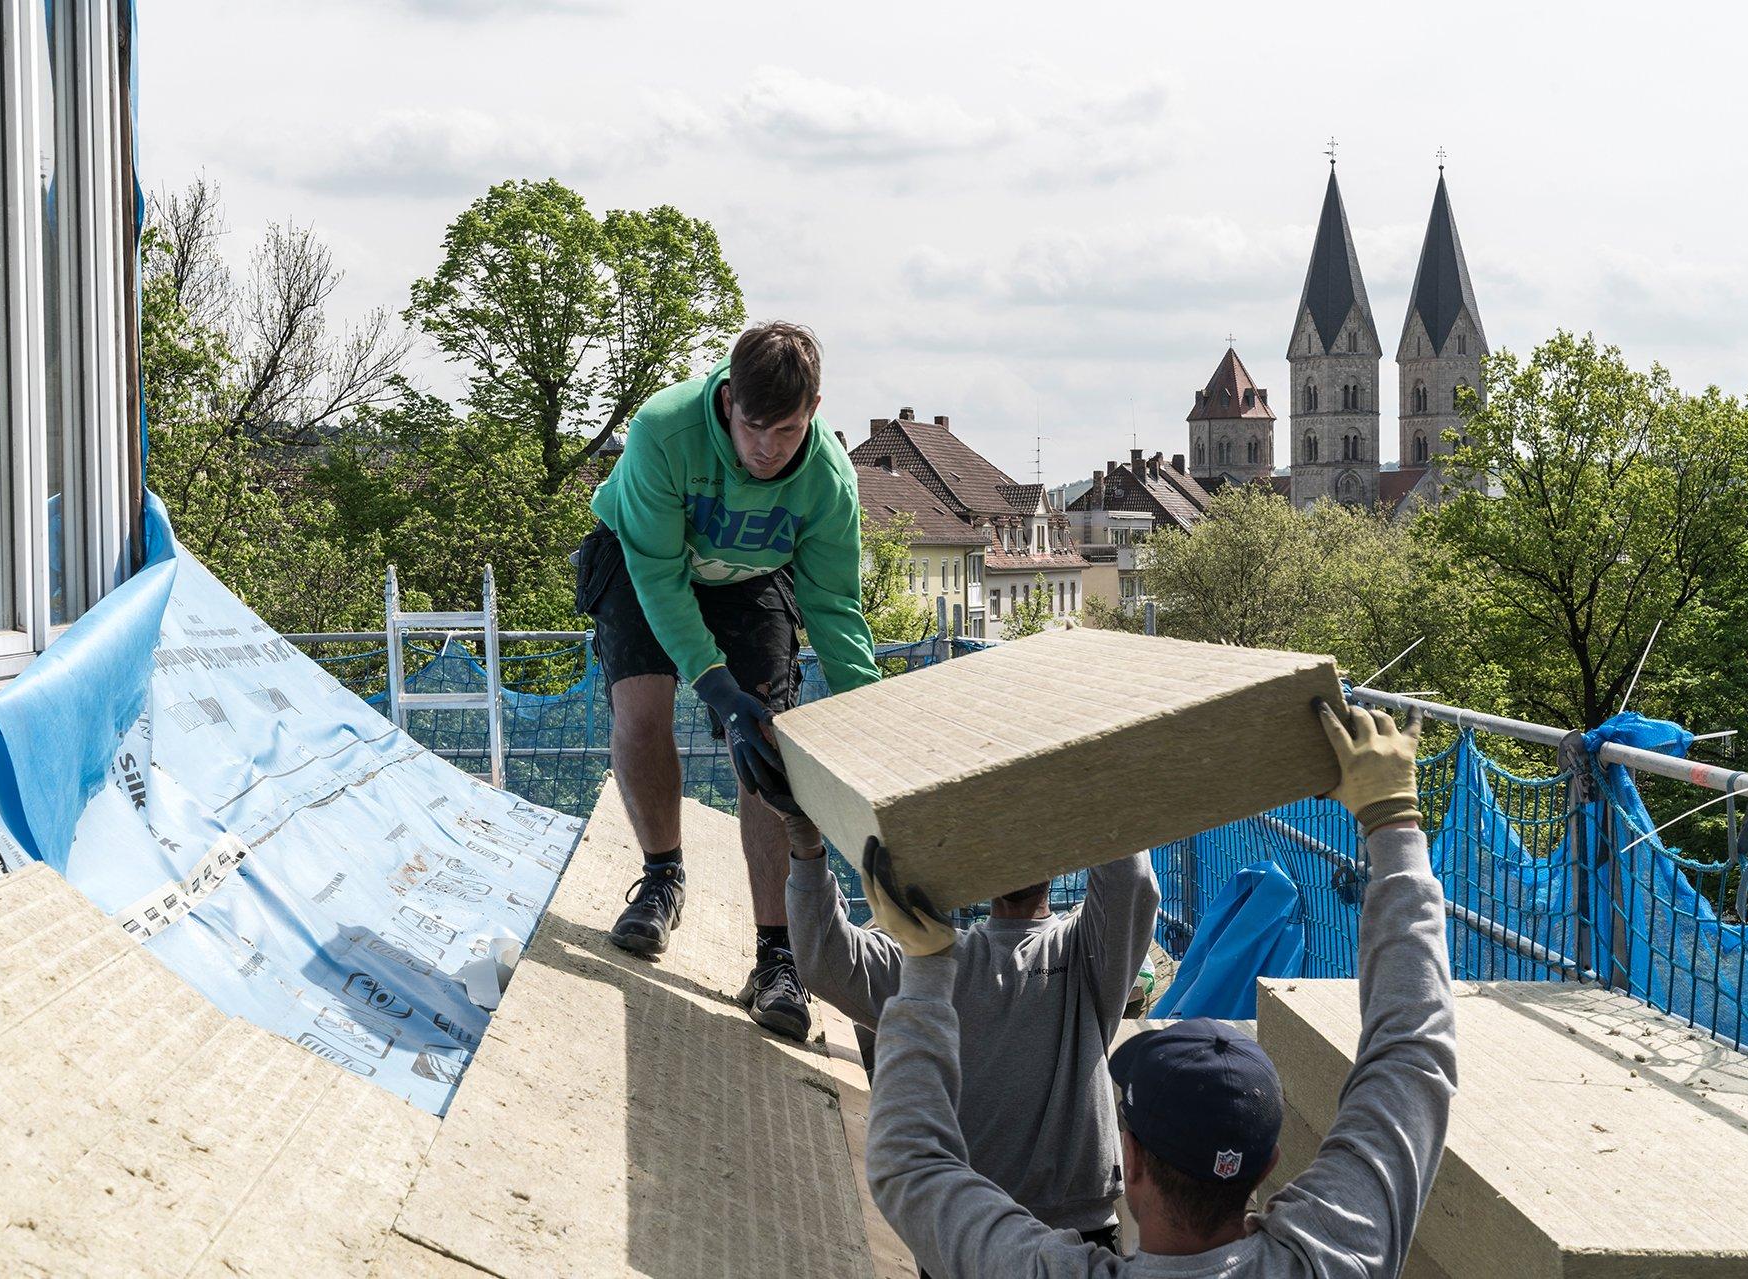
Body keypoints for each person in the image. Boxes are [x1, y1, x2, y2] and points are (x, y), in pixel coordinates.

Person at [861, 701, 1457, 1277]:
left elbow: (910, 1165)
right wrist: (1394, 820)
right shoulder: (1333, 1254)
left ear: (1133, 1163)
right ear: (1268, 1165)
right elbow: (1413, 1054)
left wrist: (925, 966)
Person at [576, 321, 880, 1041]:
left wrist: (872, 713)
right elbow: (657, 574)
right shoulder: (662, 430)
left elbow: (834, 604)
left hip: (750, 577)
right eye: (753, 428)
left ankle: (777, 956)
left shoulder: (830, 476)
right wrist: (714, 685)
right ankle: (661, 878)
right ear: (727, 404)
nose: (768, 448)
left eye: (788, 429)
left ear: (814, 408)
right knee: (643, 708)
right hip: (644, 560)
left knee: (770, 748)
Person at [786, 828, 1158, 1266]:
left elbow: (1130, 884)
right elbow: (826, 959)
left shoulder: (1086, 952)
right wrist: (805, 845)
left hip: (1081, 1235)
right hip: (967, 1235)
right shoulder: (936, 960)